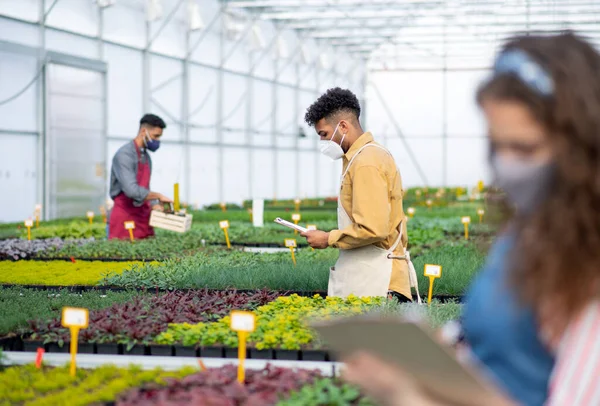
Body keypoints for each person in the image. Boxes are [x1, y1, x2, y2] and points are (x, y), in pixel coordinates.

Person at [341, 32, 600, 406]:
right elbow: (488, 342)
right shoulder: (529, 231)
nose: (506, 164)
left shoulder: (589, 266)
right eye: (496, 145)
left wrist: (408, 396)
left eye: (524, 148)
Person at [300, 88, 415, 302]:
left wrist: (327, 238)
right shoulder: (361, 157)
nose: (323, 142)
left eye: (324, 134)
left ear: (343, 126)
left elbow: (373, 228)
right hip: (373, 273)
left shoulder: (366, 162)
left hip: (381, 281)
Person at [108, 114, 172, 240]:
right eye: (155, 136)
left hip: (143, 216)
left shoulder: (146, 157)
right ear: (144, 131)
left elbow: (145, 187)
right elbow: (131, 190)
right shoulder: (124, 155)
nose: (157, 141)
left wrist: (154, 204)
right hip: (125, 216)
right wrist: (158, 196)